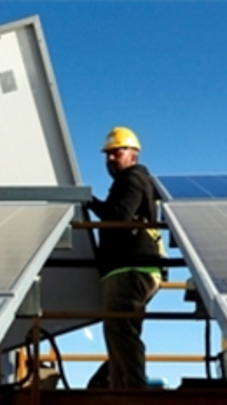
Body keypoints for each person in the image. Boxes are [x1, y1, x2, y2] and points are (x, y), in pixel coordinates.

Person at [84, 126, 165, 389]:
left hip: (129, 269)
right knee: (120, 331)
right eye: (107, 154)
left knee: (121, 331)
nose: (109, 158)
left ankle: (131, 391)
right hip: (134, 268)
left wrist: (89, 202)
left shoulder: (132, 180)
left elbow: (119, 216)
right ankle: (120, 387)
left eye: (115, 153)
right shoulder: (137, 182)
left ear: (133, 154)